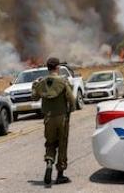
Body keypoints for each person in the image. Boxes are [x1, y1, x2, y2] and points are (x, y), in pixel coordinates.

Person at [31, 57, 76, 185]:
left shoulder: (42, 83)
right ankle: (60, 175)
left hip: (48, 119)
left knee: (50, 143)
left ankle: (49, 163)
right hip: (62, 117)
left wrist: (34, 85)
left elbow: (34, 97)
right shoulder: (63, 82)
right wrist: (70, 111)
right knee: (62, 143)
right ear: (57, 68)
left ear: (48, 68)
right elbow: (72, 100)